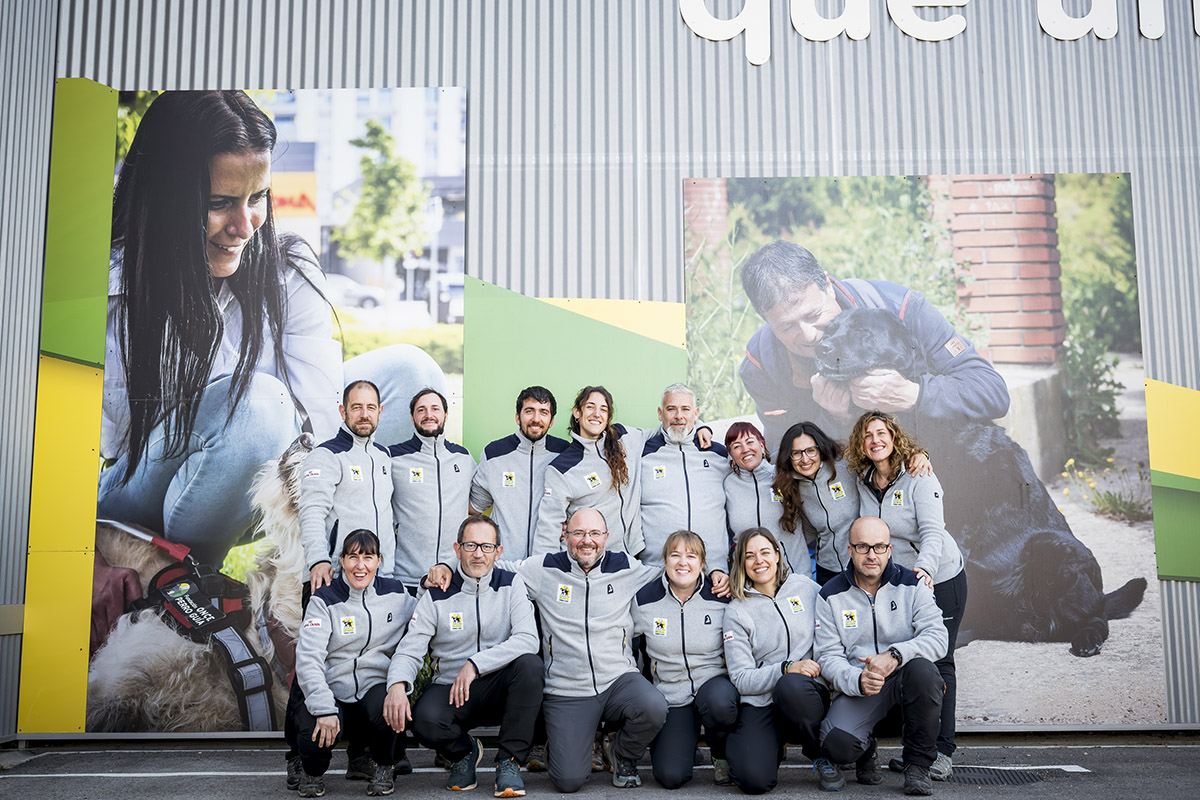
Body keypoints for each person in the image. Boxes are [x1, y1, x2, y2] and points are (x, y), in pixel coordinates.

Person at [99, 90, 445, 567]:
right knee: (257, 403)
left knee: (412, 374)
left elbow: (323, 422)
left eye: (256, 197)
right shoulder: (107, 284)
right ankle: (188, 585)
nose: (245, 226)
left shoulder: (288, 267)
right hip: (139, 499)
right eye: (219, 203)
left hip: (267, 480)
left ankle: (393, 578)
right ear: (166, 199)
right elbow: (100, 451)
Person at [431, 507, 721, 791]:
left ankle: (623, 755)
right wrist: (446, 565)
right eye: (579, 532)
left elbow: (673, 573)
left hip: (618, 679)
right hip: (567, 689)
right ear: (565, 535)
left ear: (606, 537)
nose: (587, 540)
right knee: (568, 780)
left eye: (594, 533)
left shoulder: (625, 567)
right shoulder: (543, 568)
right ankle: (561, 750)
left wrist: (717, 575)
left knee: (654, 706)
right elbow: (490, 562)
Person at [737, 240, 1010, 448]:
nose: (809, 336)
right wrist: (834, 423)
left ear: (828, 285)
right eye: (786, 327)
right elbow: (781, 453)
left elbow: (992, 392)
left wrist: (914, 395)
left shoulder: (901, 309)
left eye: (814, 315)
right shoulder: (760, 363)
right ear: (766, 320)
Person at [385, 515, 542, 797]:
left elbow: (528, 639)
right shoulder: (437, 594)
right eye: (470, 546)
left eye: (486, 546)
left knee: (530, 666)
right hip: (451, 687)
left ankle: (508, 762)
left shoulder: (512, 584)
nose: (478, 554)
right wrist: (396, 685)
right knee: (424, 720)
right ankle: (463, 753)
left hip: (499, 686)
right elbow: (411, 649)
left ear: (498, 552)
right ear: (457, 550)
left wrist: (475, 664)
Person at [847, 411, 966, 781]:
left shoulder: (919, 475)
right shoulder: (862, 479)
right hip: (899, 581)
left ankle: (942, 751)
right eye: (867, 435)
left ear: (894, 437)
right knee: (908, 662)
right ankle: (920, 748)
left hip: (939, 576)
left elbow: (933, 531)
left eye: (881, 433)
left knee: (939, 661)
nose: (875, 440)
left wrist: (926, 571)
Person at [814, 517, 948, 796]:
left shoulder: (913, 585)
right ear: (849, 550)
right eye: (863, 547)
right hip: (862, 687)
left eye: (879, 547)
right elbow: (827, 657)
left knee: (925, 672)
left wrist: (896, 655)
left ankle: (918, 766)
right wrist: (857, 679)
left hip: (906, 683)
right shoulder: (830, 594)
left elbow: (938, 638)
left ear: (890, 550)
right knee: (836, 744)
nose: (871, 555)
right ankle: (866, 749)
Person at [293, 530, 416, 798]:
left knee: (392, 705)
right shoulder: (323, 599)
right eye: (353, 557)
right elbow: (308, 658)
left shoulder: (397, 593)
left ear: (379, 560)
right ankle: (312, 772)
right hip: (333, 693)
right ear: (342, 561)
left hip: (373, 688)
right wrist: (324, 708)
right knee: (312, 738)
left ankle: (384, 765)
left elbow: (428, 620)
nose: (360, 566)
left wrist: (400, 683)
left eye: (368, 557)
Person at [722, 527, 828, 795]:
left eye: (765, 552)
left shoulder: (806, 588)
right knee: (753, 780)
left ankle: (818, 750)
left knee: (790, 687)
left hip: (806, 692)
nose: (759, 561)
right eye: (750, 556)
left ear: (778, 555)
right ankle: (769, 744)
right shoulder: (737, 610)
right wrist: (784, 668)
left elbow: (833, 634)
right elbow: (741, 679)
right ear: (741, 563)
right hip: (762, 700)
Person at [631, 530, 738, 789]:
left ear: (702, 564)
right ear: (665, 561)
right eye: (675, 555)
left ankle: (721, 752)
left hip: (714, 687)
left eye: (691, 556)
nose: (682, 562)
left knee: (719, 703)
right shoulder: (645, 599)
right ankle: (685, 746)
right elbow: (625, 644)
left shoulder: (721, 597)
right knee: (670, 777)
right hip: (671, 694)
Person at [775, 421, 932, 584]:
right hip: (827, 569)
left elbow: (883, 457)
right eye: (797, 453)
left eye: (810, 451)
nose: (805, 459)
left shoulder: (848, 467)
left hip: (863, 566)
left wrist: (920, 455)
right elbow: (809, 530)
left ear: (820, 450)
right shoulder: (793, 484)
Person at [300, 380, 396, 592]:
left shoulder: (384, 456)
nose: (364, 414)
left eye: (370, 407)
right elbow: (311, 512)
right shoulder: (325, 455)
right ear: (343, 411)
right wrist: (318, 560)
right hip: (333, 577)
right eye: (356, 407)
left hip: (380, 579)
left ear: (379, 411)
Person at [533, 387, 647, 556]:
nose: (597, 414)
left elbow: (666, 431)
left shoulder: (623, 437)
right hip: (591, 562)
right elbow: (549, 527)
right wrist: (543, 571)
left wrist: (699, 427)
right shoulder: (561, 468)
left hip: (632, 557)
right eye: (590, 407)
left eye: (603, 409)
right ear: (577, 412)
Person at [469, 386, 569, 559]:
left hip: (550, 564)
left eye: (543, 412)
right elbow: (474, 507)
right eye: (529, 411)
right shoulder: (494, 454)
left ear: (551, 420)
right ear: (517, 417)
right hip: (504, 564)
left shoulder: (565, 454)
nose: (536, 419)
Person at [388, 388, 475, 587]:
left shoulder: (463, 457)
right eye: (421, 410)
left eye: (435, 409)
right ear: (412, 417)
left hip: (455, 574)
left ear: (445, 414)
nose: (429, 415)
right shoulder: (393, 458)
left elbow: (477, 501)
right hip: (407, 577)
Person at [638, 384, 731, 571]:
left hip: (714, 573)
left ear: (695, 414)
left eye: (685, 409)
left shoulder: (718, 454)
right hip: (657, 571)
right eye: (671, 409)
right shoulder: (641, 453)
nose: (678, 415)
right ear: (660, 413)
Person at [722, 422, 808, 577]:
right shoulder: (727, 485)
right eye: (736, 446)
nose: (745, 449)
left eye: (749, 442)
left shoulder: (785, 475)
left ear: (762, 445)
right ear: (731, 455)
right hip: (750, 577)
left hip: (793, 573)